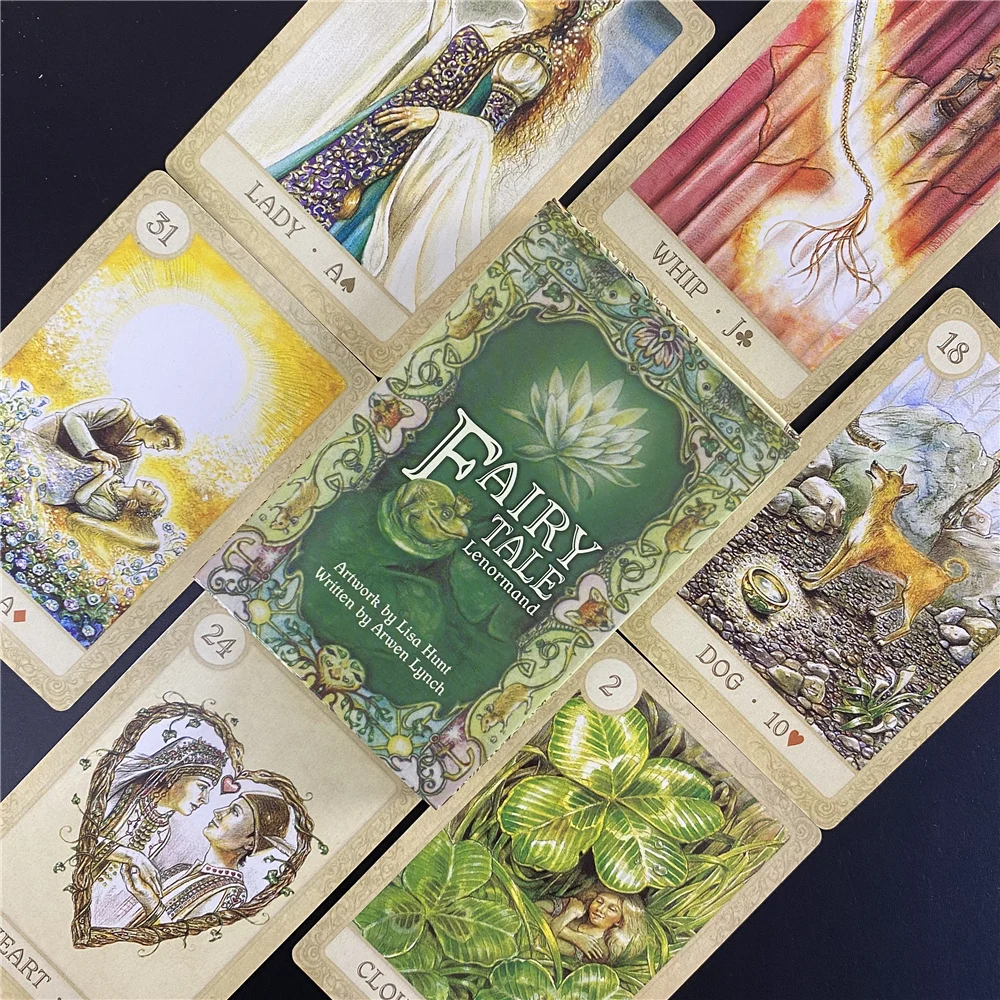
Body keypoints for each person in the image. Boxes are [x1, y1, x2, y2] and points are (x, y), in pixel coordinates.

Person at [271, 0, 620, 309]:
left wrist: (433, 118)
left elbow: (485, 130)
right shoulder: (503, 29)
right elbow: (441, 61)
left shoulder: (530, 62)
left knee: (344, 232)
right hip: (377, 130)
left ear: (563, 4)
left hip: (410, 153)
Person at [89, 737, 226, 929]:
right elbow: (81, 839)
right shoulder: (123, 794)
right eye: (202, 787)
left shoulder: (163, 829)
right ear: (174, 776)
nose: (205, 799)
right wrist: (132, 856)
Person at [121, 792, 295, 926]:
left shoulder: (231, 892)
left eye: (234, 812)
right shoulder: (182, 869)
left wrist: (150, 901)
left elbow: (182, 946)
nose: (218, 812)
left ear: (250, 843)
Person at [32, 396, 183, 485]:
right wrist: (96, 451)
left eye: (164, 449)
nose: (159, 449)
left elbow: (118, 481)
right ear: (158, 426)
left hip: (60, 465)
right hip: (50, 436)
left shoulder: (132, 453)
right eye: (165, 442)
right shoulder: (121, 410)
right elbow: (72, 417)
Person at [536, 884, 645, 963]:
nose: (600, 909)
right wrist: (573, 936)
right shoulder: (577, 906)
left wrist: (567, 915)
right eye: (599, 901)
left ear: (619, 921)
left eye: (612, 909)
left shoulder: (600, 949)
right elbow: (535, 907)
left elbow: (542, 943)